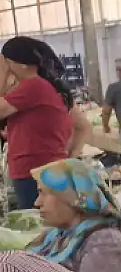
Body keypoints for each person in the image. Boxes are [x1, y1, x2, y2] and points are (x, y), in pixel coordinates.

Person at [27, 159, 121, 272]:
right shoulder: (54, 237)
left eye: (43, 193)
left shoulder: (106, 244)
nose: (37, 203)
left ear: (71, 196)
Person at [0, 37, 88, 209]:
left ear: (23, 64)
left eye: (6, 62)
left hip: (34, 170)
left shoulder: (33, 86)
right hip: (41, 167)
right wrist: (71, 157)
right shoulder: (41, 86)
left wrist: (2, 76)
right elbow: (82, 126)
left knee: (36, 221)